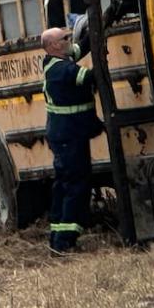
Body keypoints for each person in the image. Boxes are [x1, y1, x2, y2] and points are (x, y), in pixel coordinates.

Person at [40, 26, 102, 254]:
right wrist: (102, 61)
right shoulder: (60, 71)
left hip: (67, 136)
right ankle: (65, 240)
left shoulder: (55, 61)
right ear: (54, 45)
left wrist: (103, 22)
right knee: (75, 185)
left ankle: (58, 236)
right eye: (65, 38)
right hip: (69, 138)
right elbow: (89, 77)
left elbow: (81, 47)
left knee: (64, 185)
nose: (70, 40)